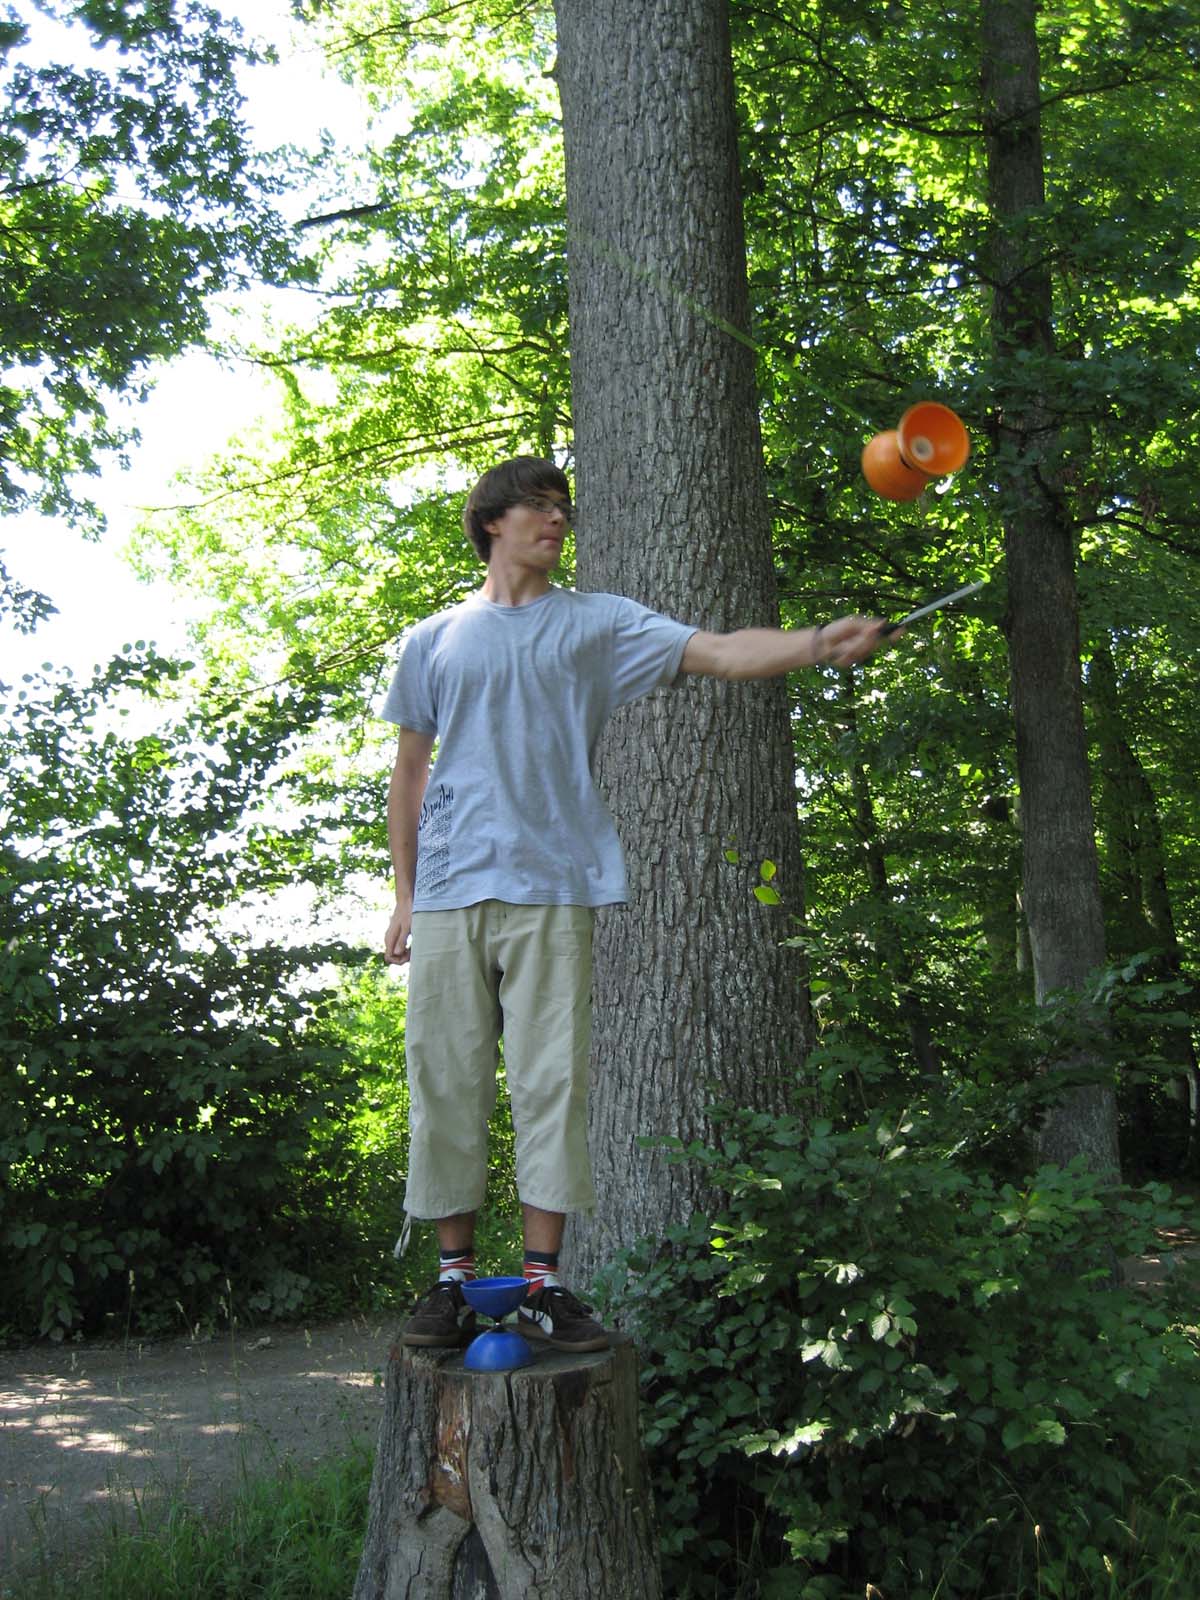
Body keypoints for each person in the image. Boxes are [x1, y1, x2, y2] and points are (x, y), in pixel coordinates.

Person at [381, 456, 890, 1352]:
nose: (558, 520)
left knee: (552, 1083)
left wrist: (816, 643)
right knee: (445, 1082)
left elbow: (720, 651)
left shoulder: (598, 622)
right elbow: (411, 771)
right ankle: (452, 1281)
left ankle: (543, 1286)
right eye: (540, 506)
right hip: (451, 891)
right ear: (492, 520)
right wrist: (404, 893)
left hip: (555, 883)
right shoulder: (435, 639)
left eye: (564, 509)